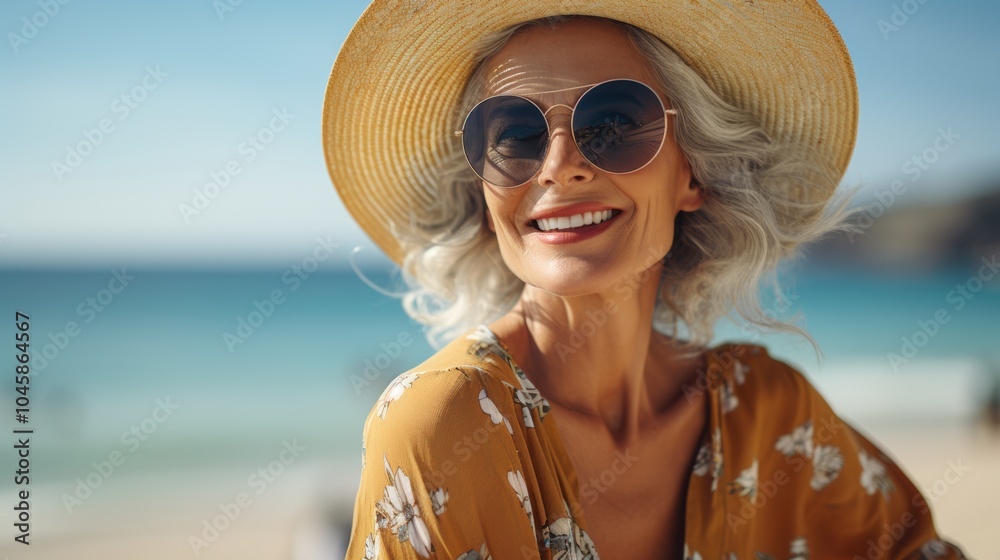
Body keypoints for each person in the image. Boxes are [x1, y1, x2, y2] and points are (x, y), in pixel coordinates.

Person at [323, 1, 969, 558]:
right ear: (485, 193)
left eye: (613, 122)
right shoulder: (443, 425)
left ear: (694, 173)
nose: (556, 168)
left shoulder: (769, 417)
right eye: (516, 135)